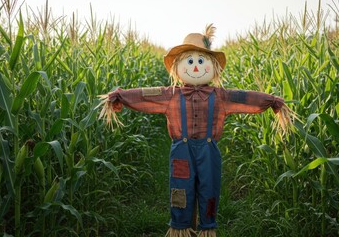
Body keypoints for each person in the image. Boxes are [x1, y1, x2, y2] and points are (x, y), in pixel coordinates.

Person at [98, 24, 293, 237]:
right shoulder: (170, 94)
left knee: (209, 188)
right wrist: (121, 96)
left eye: (201, 61)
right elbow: (145, 95)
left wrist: (271, 101)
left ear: (213, 66)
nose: (197, 67)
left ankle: (207, 228)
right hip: (181, 152)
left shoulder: (221, 95)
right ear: (179, 67)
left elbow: (244, 97)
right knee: (181, 188)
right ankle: (181, 228)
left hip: (209, 151)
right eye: (190, 61)